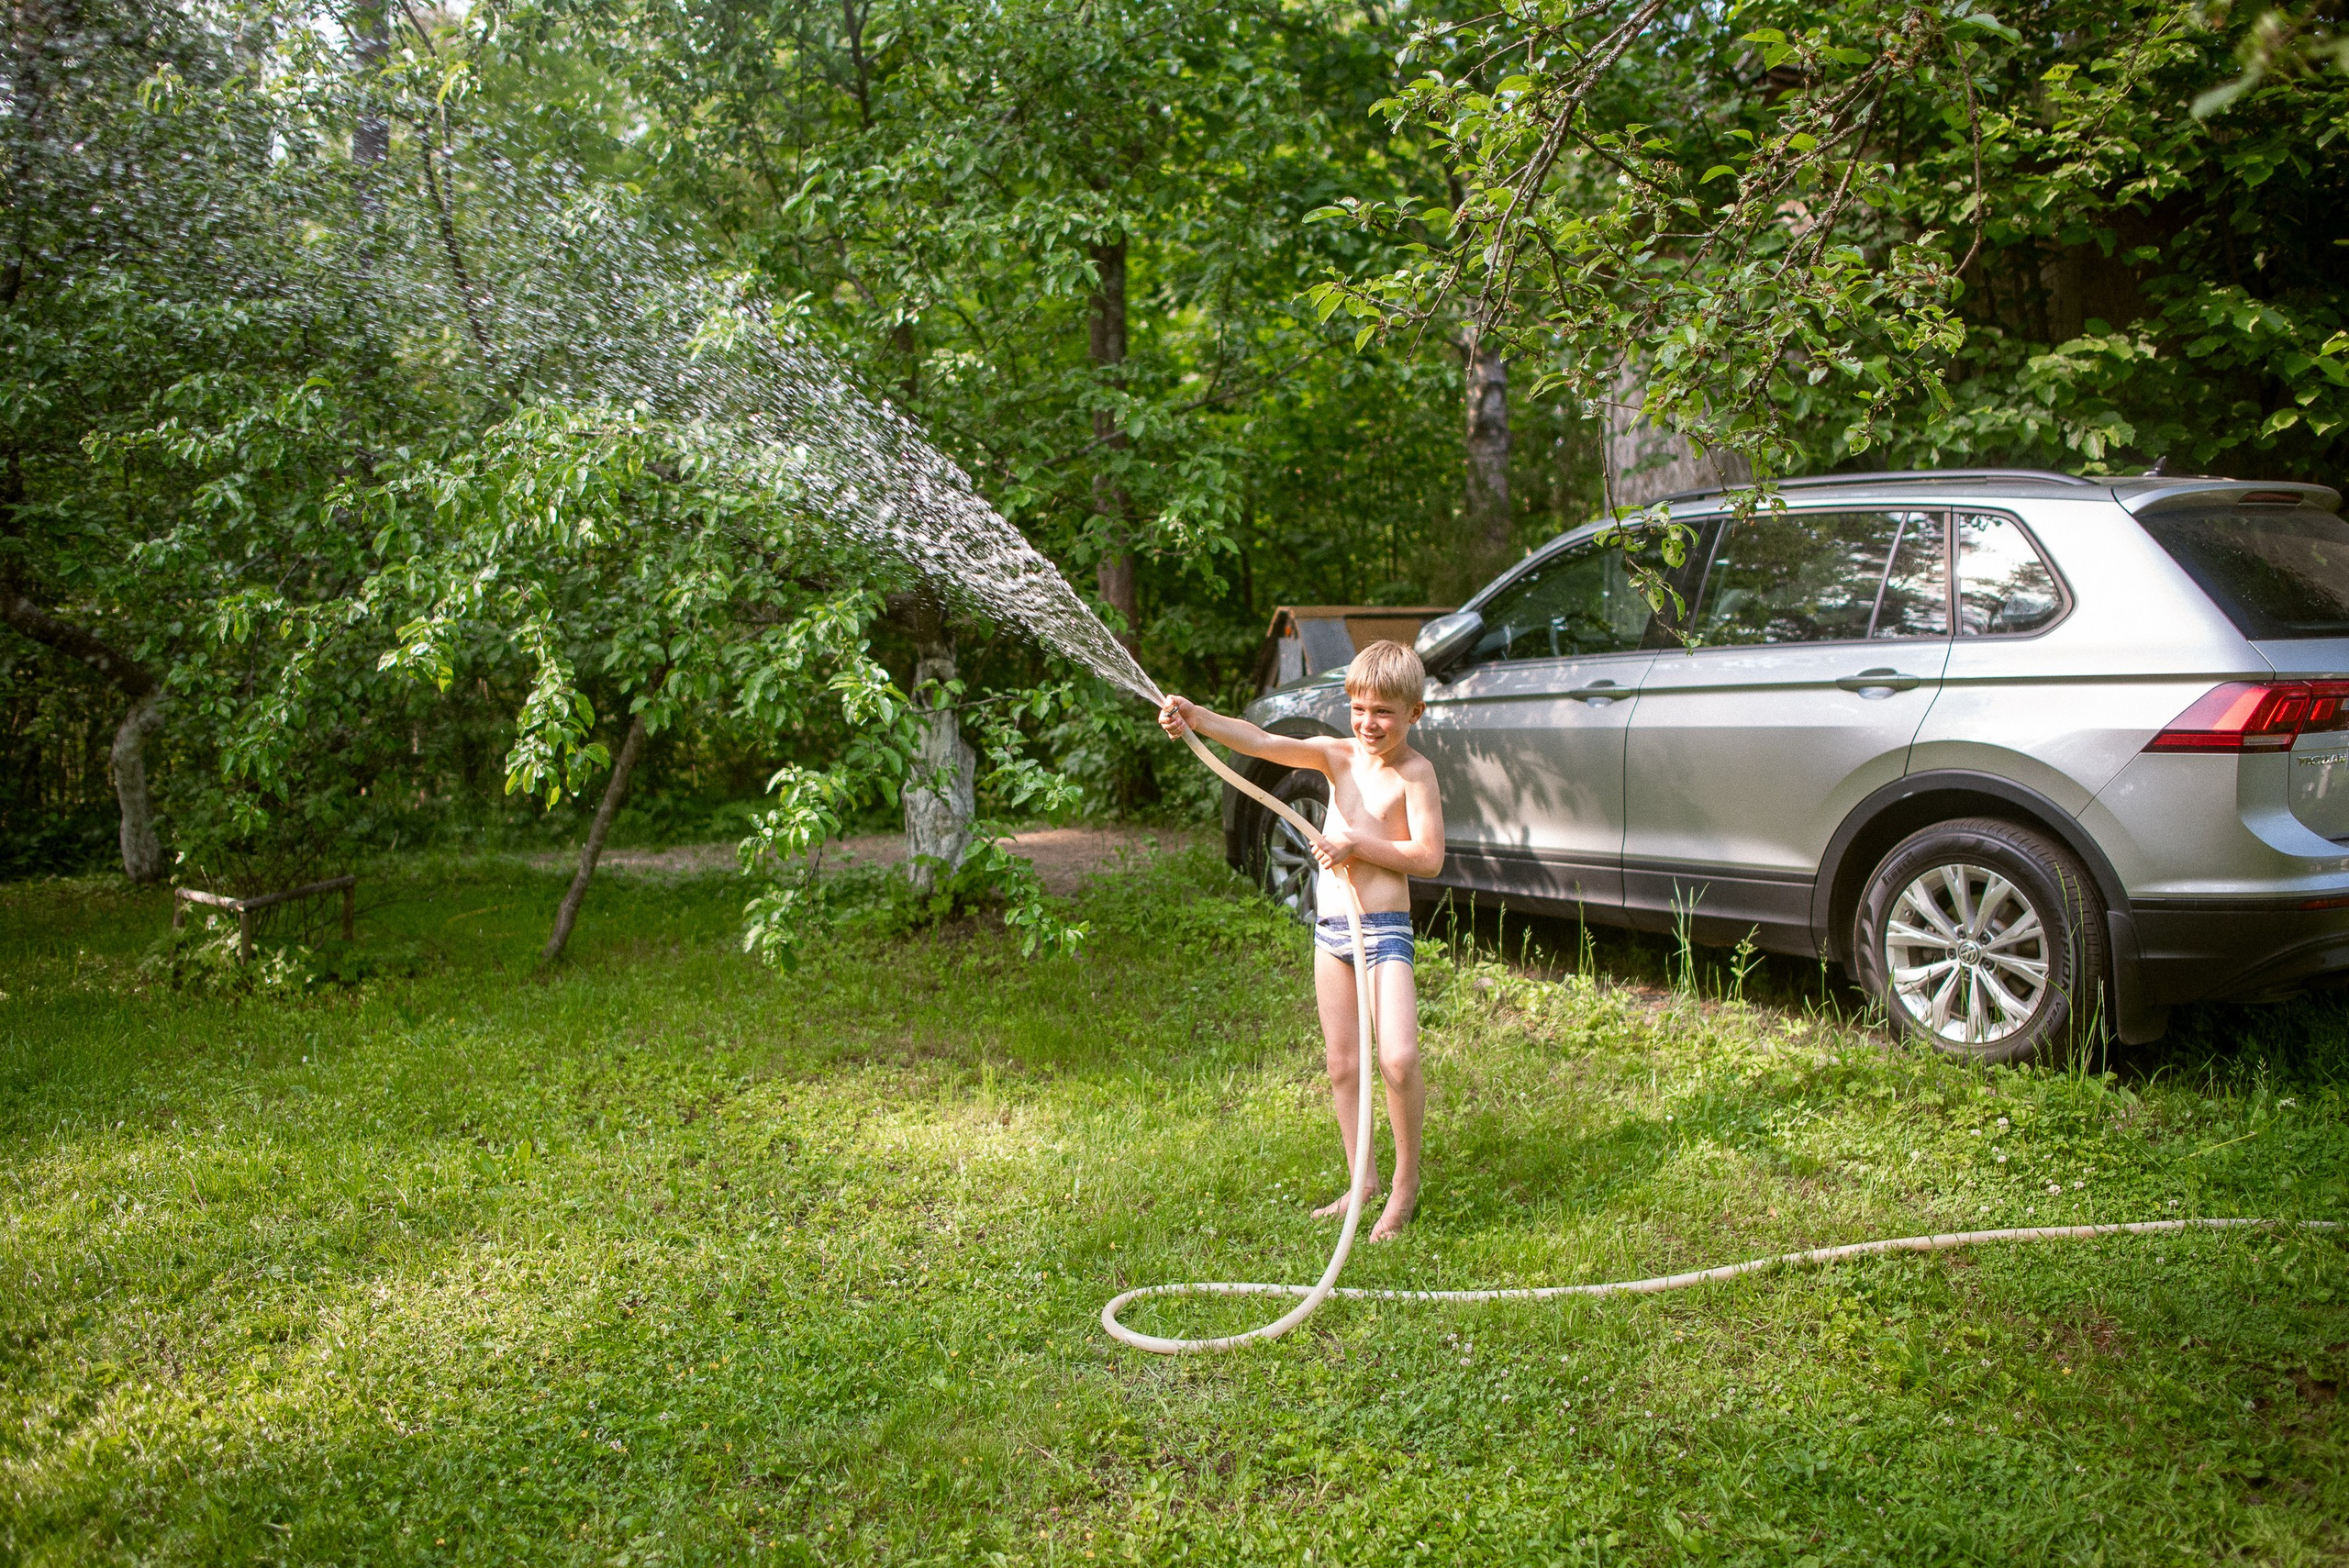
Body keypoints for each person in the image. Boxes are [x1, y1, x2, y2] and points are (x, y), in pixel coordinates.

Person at [1158, 639, 1445, 1241]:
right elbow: (1261, 742)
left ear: (1414, 713)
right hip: (1332, 932)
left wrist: (1356, 846)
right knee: (1342, 1064)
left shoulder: (1415, 773)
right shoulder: (1337, 756)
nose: (1369, 723)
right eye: (1360, 708)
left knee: (1397, 1058)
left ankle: (1405, 1184)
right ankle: (1362, 1180)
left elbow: (1428, 857)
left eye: (1385, 712)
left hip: (1384, 932)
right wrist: (1196, 716)